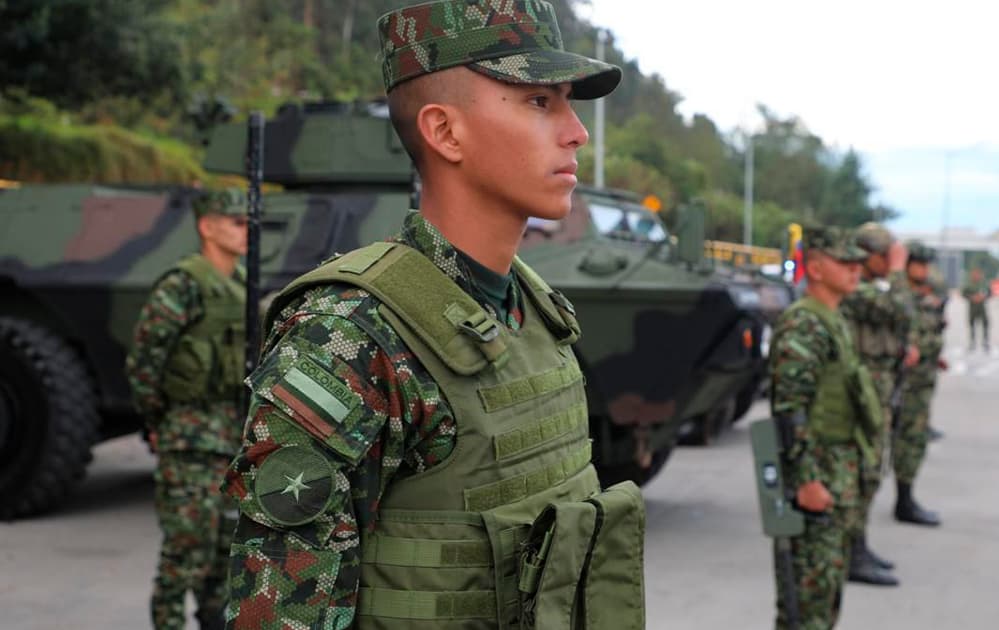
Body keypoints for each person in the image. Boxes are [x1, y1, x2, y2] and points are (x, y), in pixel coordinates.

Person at [221, 2, 645, 628]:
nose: (577, 131)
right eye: (539, 101)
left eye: (568, 103)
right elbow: (280, 611)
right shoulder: (347, 335)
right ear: (445, 132)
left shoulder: (532, 307)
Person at [125, 188, 249, 630]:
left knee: (224, 557)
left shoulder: (242, 284)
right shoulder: (182, 285)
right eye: (236, 222)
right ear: (207, 226)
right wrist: (161, 421)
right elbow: (144, 362)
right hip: (191, 438)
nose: (246, 230)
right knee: (185, 554)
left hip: (232, 439)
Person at [770, 226, 882, 629]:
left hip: (838, 472)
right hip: (816, 476)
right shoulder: (805, 324)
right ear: (815, 268)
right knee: (805, 606)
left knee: (825, 596)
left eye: (858, 263)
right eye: (844, 262)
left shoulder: (833, 319)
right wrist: (806, 480)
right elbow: (790, 410)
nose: (855, 270)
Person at [836, 223, 917, 586]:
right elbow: (902, 309)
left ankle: (858, 546)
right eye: (886, 257)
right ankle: (851, 552)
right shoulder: (856, 290)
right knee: (861, 475)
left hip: (877, 396)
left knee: (871, 474)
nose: (891, 263)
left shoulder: (873, 289)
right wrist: (899, 270)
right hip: (860, 400)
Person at [892, 243, 946, 527]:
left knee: (914, 441)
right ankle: (903, 501)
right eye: (919, 264)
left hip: (923, 380)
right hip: (905, 384)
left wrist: (935, 355)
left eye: (926, 264)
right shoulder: (899, 298)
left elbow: (927, 333)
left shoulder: (924, 296)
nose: (924, 270)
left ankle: (906, 497)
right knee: (906, 441)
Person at [962, 267, 990, 352]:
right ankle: (972, 342)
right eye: (975, 274)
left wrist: (983, 297)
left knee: (985, 323)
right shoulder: (969, 284)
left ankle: (985, 341)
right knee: (972, 325)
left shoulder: (983, 284)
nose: (976, 276)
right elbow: (964, 293)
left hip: (982, 307)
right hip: (972, 307)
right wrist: (972, 297)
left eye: (978, 274)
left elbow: (990, 293)